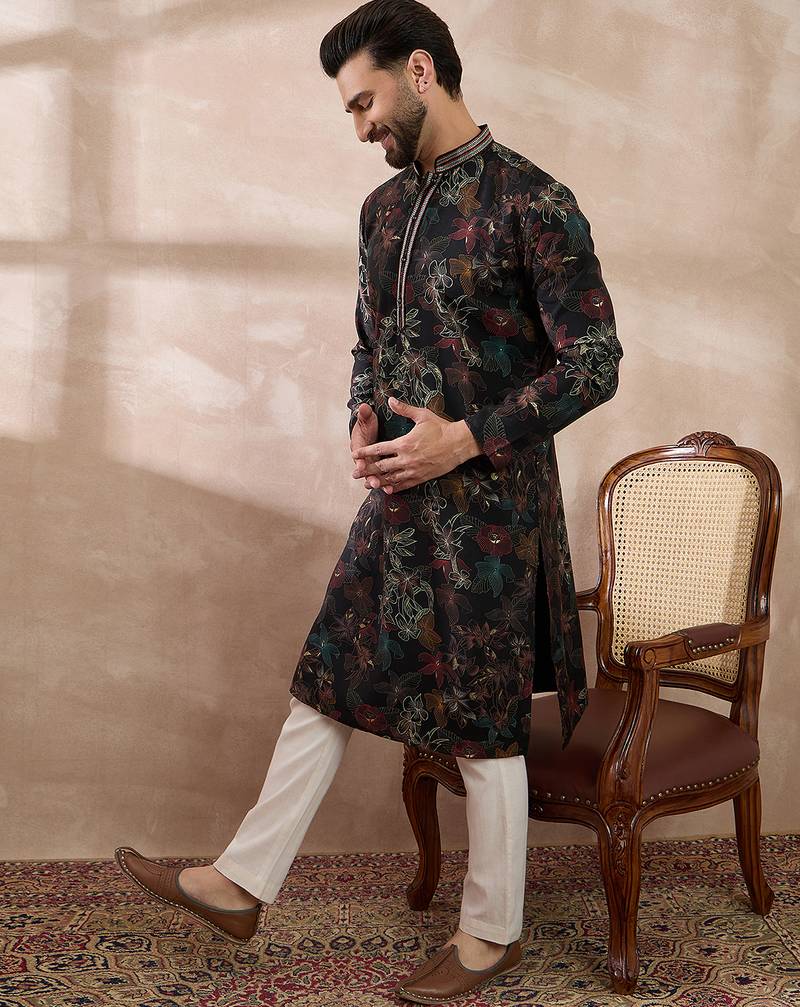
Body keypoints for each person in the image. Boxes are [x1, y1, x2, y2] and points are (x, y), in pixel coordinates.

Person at [115, 1, 623, 1002]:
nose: (359, 127)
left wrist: (466, 437)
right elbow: (370, 337)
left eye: (364, 102)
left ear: (420, 70)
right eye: (348, 110)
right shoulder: (382, 210)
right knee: (327, 676)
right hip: (396, 503)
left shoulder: (534, 201)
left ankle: (492, 933)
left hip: (492, 515)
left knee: (482, 717)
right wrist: (360, 411)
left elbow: (595, 362)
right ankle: (241, 881)